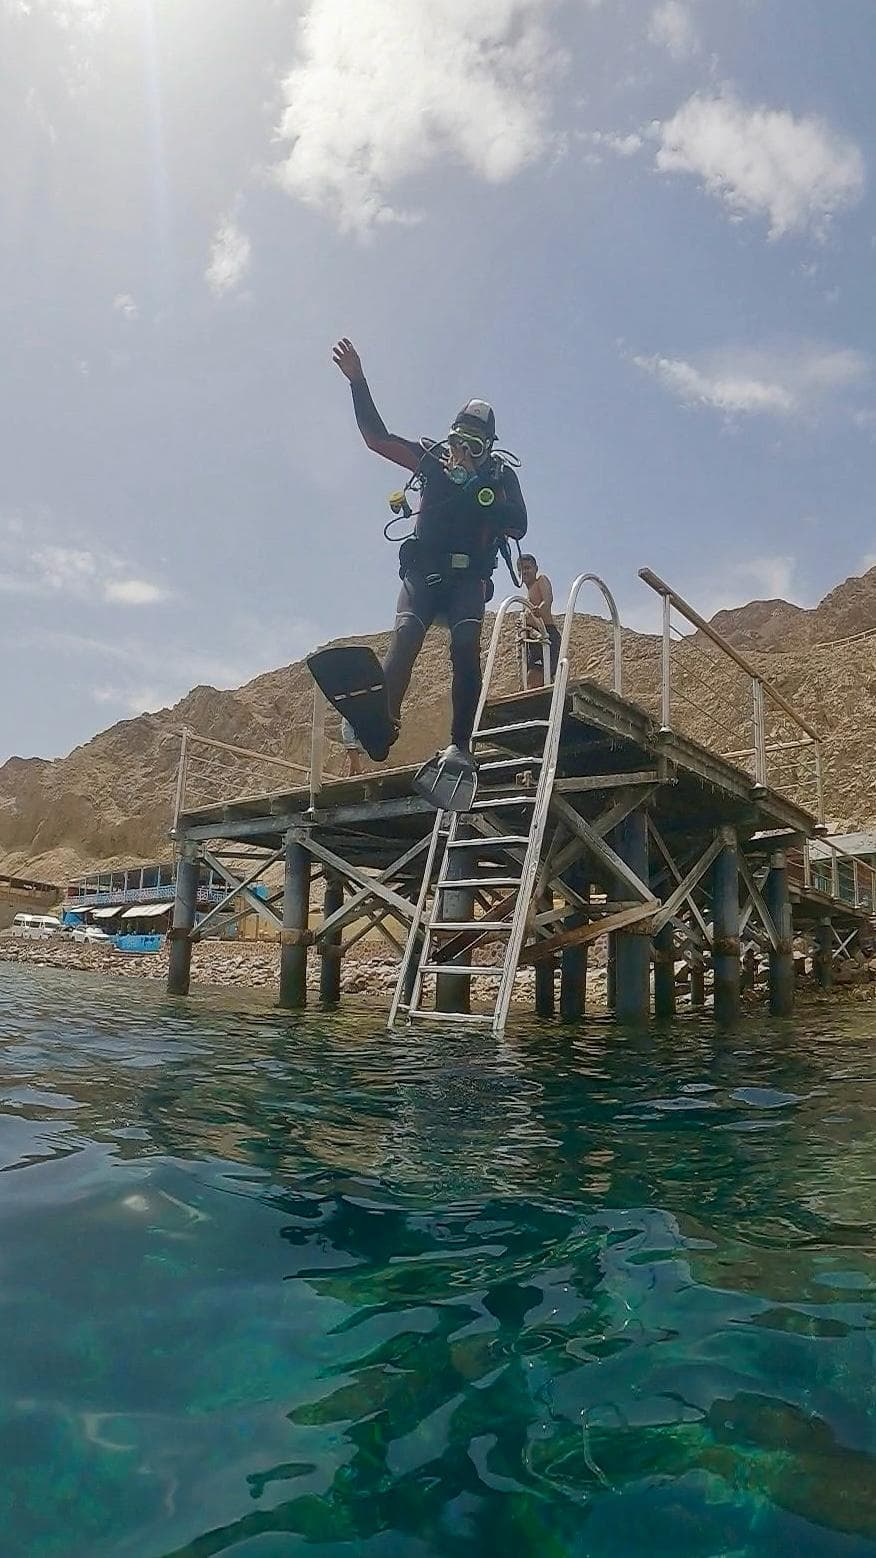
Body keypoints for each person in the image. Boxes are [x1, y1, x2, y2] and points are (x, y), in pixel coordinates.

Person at [332, 337, 527, 764]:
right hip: (424, 572)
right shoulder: (432, 460)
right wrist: (357, 381)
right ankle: (382, 726)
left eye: (476, 445)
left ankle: (461, 744)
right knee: (404, 635)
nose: (465, 451)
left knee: (464, 647)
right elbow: (376, 439)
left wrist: (476, 482)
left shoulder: (499, 477)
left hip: (467, 582)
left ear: (489, 447)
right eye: (461, 440)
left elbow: (519, 524)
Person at [519, 553, 561, 689]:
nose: (524, 571)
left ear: (535, 568)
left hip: (546, 633)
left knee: (536, 676)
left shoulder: (540, 581)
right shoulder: (526, 597)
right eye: (521, 569)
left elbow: (548, 599)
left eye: (527, 567)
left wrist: (540, 609)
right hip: (533, 640)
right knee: (532, 677)